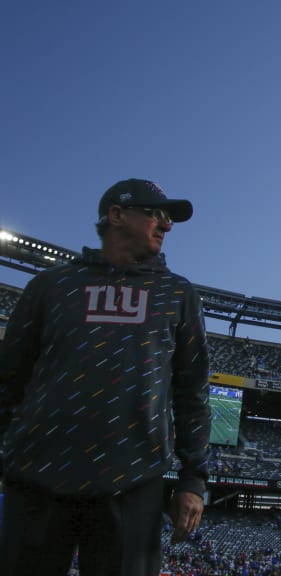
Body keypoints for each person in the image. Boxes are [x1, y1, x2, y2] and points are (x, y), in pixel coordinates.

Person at [0, 178, 212, 576]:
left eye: (168, 218)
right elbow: (8, 379)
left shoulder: (177, 295)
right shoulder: (51, 286)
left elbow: (192, 393)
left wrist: (192, 479)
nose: (166, 225)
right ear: (116, 215)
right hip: (36, 477)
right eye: (155, 213)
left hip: (132, 482)